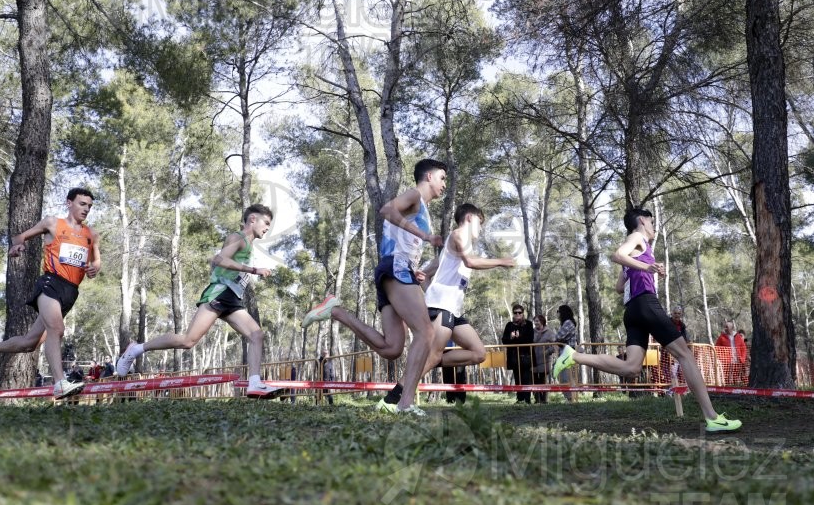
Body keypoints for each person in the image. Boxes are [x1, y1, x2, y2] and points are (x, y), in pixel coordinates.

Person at [552, 208, 741, 432]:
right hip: (645, 304)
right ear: (642, 220)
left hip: (632, 310)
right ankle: (713, 418)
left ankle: (574, 356)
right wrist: (649, 267)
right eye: (651, 221)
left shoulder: (638, 247)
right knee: (685, 355)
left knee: (631, 368)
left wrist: (642, 268)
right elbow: (617, 255)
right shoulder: (636, 237)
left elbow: (619, 287)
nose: (653, 226)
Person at [301, 159, 448, 415]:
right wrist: (424, 237)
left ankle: (337, 312)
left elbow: (399, 238)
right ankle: (404, 403)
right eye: (442, 178)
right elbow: (387, 210)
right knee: (426, 333)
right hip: (395, 268)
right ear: (428, 177)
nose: (444, 184)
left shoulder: (421, 208)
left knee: (392, 348)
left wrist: (415, 270)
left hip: (395, 269)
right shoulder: (414, 195)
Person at [114, 204, 280, 398]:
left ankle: (254, 384)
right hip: (220, 293)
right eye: (266, 223)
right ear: (252, 219)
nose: (267, 228)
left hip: (233, 298)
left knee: (256, 335)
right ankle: (136, 349)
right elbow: (219, 259)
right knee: (188, 341)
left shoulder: (249, 245)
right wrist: (253, 270)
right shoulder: (238, 238)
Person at [0, 188, 101, 399]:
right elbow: (20, 236)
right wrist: (17, 246)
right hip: (50, 283)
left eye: (89, 206)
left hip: (70, 292)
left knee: (29, 343)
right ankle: (60, 383)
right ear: (69, 203)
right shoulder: (52, 223)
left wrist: (95, 267)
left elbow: (96, 259)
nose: (86, 209)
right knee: (57, 329)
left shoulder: (91, 234)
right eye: (82, 204)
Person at [416, 203, 516, 399]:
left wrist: (427, 288)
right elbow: (470, 262)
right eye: (480, 222)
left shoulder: (450, 250)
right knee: (434, 354)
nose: (481, 227)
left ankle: (431, 361)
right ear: (470, 217)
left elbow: (425, 276)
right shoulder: (458, 234)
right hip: (441, 308)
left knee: (479, 353)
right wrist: (500, 261)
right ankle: (398, 393)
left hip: (452, 310)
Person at [503, 303, 534, 404]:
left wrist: (518, 337)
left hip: (526, 356)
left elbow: (530, 339)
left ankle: (527, 399)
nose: (517, 314)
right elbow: (504, 340)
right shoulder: (509, 325)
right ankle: (520, 398)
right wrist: (511, 338)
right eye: (515, 313)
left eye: (519, 312)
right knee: (517, 377)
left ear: (523, 313)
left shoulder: (528, 324)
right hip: (514, 357)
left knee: (526, 377)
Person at [531, 314, 558, 404]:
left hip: (544, 360)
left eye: (537, 321)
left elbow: (555, 345)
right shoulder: (532, 332)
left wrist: (547, 351)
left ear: (542, 321)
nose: (536, 323)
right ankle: (537, 399)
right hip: (533, 359)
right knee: (534, 379)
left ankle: (544, 399)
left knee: (543, 379)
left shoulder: (549, 332)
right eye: (535, 321)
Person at [715, 320, 748, 386]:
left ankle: (737, 388)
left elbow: (743, 348)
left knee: (737, 376)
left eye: (727, 327)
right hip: (726, 361)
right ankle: (728, 389)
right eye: (725, 327)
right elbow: (717, 348)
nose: (725, 329)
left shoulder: (738, 336)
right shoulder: (721, 337)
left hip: (737, 359)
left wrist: (742, 358)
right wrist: (721, 359)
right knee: (727, 377)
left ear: (731, 328)